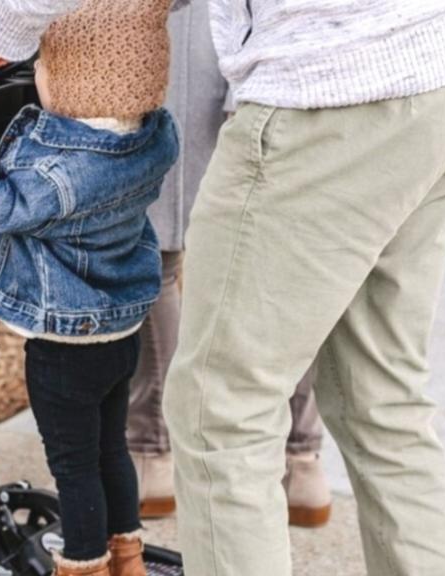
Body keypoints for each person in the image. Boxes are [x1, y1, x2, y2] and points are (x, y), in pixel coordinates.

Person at [0, 1, 445, 574]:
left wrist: (2, 30)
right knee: (383, 396)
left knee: (219, 411)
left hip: (339, 86)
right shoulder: (151, 143)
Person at [0, 1, 178, 573]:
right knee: (110, 449)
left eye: (43, 67)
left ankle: (85, 564)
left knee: (73, 467)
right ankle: (128, 556)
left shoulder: (61, 170)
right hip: (121, 334)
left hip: (66, 350)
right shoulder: (152, 139)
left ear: (72, 84)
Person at [128, 0, 331, 527]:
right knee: (285, 264)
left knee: (159, 253)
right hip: (289, 36)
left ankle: (153, 454)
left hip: (193, 30)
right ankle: (301, 461)